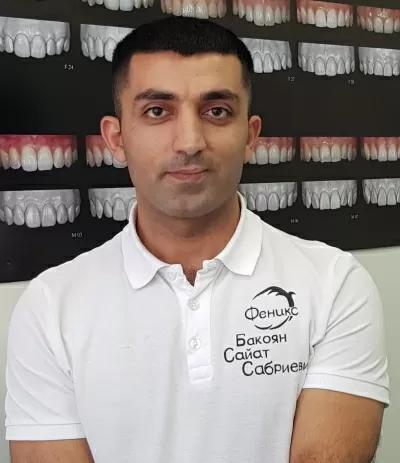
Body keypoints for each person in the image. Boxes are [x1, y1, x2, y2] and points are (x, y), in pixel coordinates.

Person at [5, 16, 389, 463]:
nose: (189, 142)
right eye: (157, 111)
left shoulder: (335, 284)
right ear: (116, 138)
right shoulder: (49, 307)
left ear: (250, 136)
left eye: (217, 111)